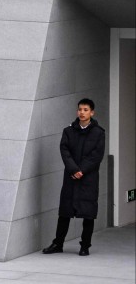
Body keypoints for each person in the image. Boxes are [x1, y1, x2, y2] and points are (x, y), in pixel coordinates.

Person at [42, 98, 106, 256]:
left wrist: (82, 170)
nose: (82, 113)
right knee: (65, 212)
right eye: (80, 109)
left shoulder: (99, 133)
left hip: (88, 179)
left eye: (85, 110)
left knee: (88, 213)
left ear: (92, 112)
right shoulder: (68, 131)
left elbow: (97, 155)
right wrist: (73, 169)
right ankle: (58, 243)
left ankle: (85, 246)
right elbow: (64, 150)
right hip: (71, 177)